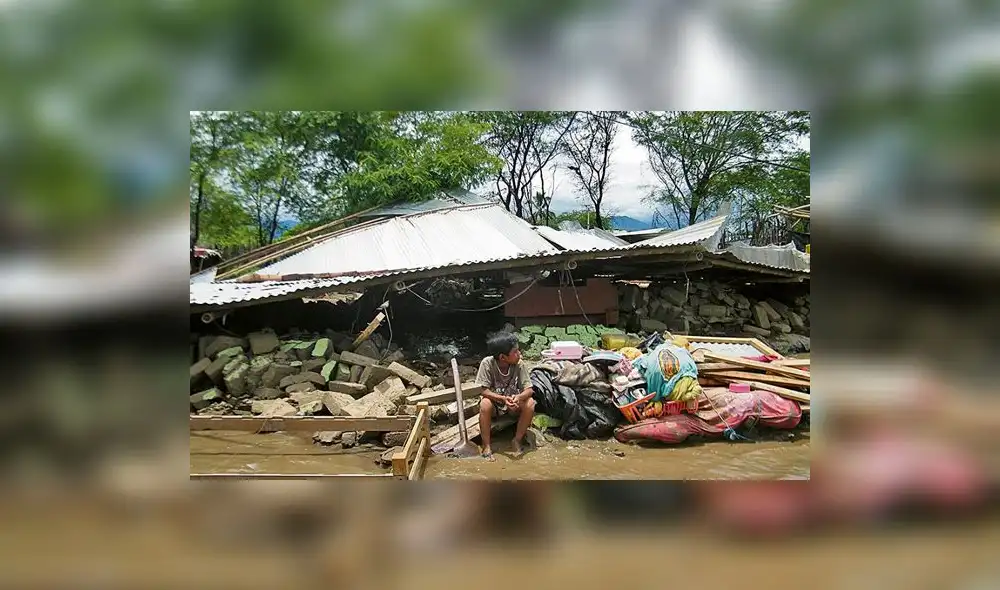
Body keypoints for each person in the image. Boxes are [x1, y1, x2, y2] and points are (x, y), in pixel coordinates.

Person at [475, 332, 536, 461]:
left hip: (513, 405)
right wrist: (502, 399)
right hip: (495, 406)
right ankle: (486, 445)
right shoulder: (487, 364)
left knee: (530, 403)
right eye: (515, 351)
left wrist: (518, 398)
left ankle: (517, 440)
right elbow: (482, 390)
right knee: (485, 404)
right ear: (503, 357)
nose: (519, 354)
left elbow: (529, 390)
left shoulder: (519, 364)